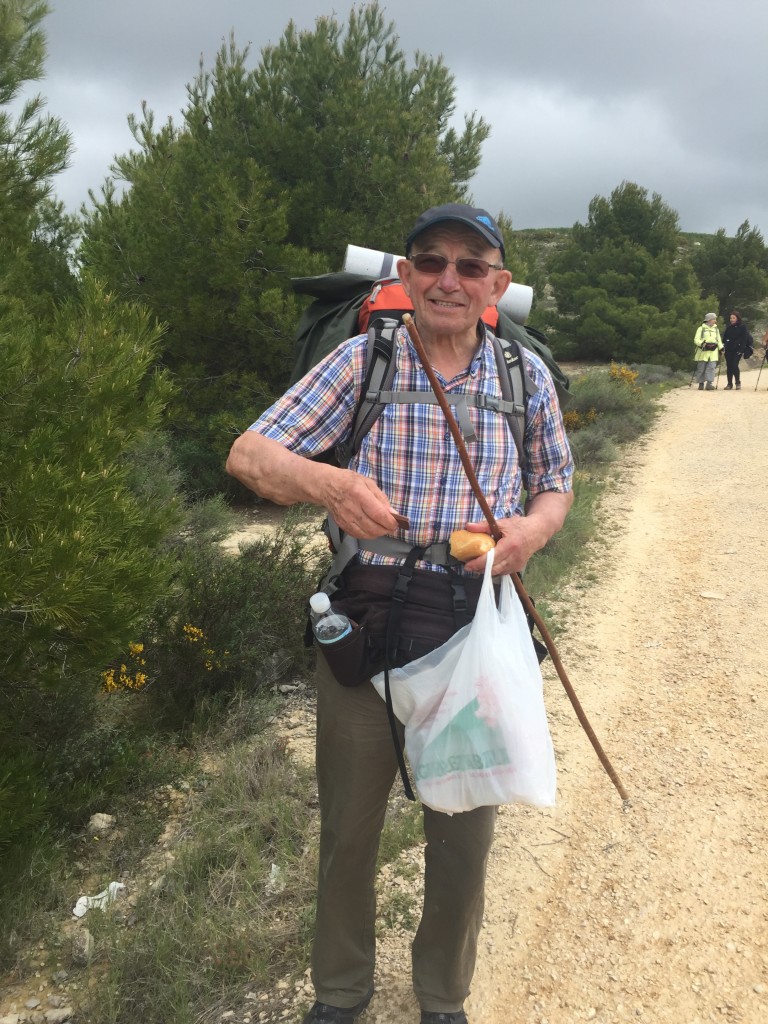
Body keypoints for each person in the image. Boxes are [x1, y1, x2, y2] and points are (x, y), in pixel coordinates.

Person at [226, 203, 574, 1024]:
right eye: (430, 262)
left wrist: (531, 530)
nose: (447, 278)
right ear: (405, 275)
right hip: (366, 631)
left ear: (498, 283)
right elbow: (249, 453)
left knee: (463, 839)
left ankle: (442, 997)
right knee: (349, 832)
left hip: (471, 639)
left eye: (468, 264)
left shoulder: (522, 379)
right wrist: (330, 484)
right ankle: (339, 995)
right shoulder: (361, 363)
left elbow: (557, 480)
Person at [692, 313, 723, 390]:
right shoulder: (701, 329)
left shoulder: (716, 329)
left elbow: (719, 340)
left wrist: (721, 348)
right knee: (701, 368)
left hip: (713, 352)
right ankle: (701, 383)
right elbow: (696, 339)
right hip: (703, 352)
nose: (715, 321)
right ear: (709, 320)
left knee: (711, 368)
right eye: (714, 319)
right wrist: (701, 343)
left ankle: (709, 384)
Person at [721, 310, 749, 389]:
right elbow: (724, 338)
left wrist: (741, 350)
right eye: (731, 318)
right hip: (729, 349)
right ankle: (729, 384)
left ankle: (737, 382)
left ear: (737, 318)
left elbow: (744, 339)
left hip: (737, 349)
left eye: (733, 318)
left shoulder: (743, 327)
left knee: (734, 365)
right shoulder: (729, 327)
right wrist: (723, 347)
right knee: (729, 365)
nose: (732, 319)